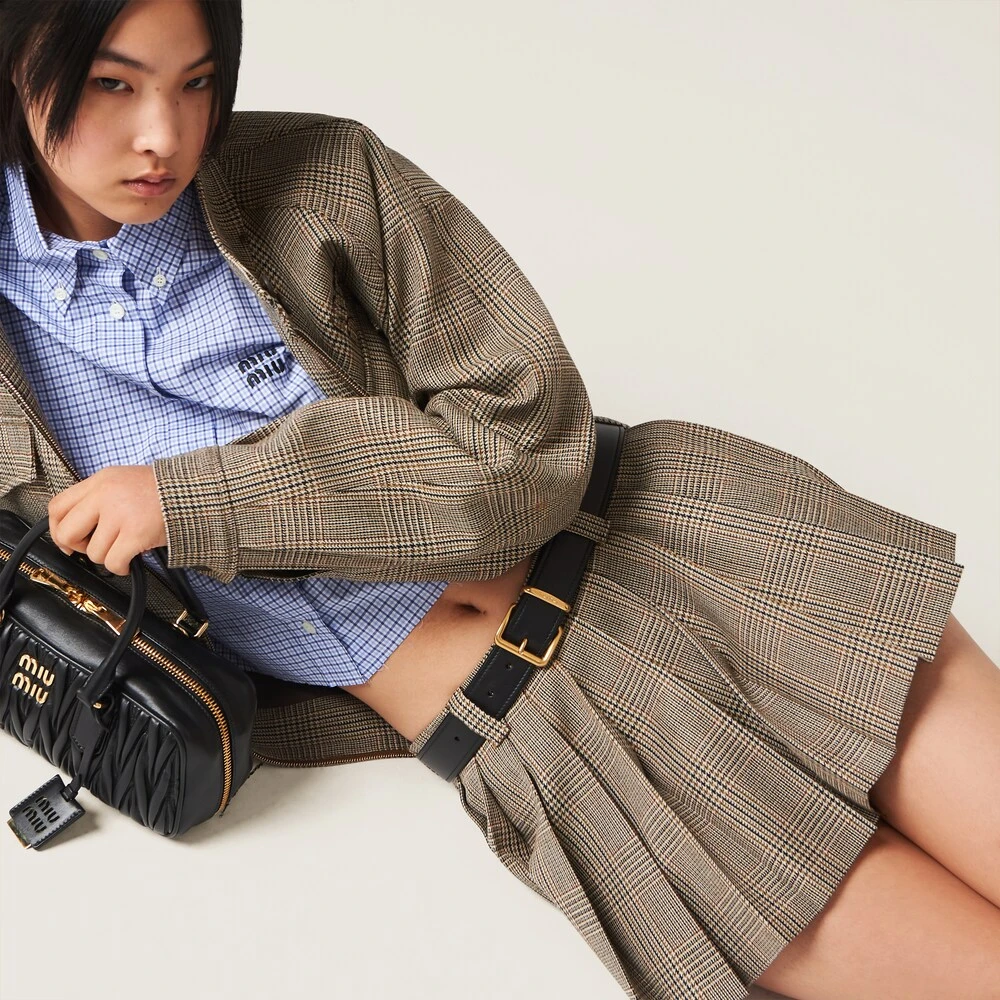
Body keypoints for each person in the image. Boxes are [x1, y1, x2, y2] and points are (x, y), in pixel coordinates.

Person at [0, 2, 996, 998]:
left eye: (197, 82)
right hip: (551, 751)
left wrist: (198, 498)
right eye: (113, 83)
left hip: (683, 567)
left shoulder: (321, 181)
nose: (165, 135)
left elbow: (526, 445)